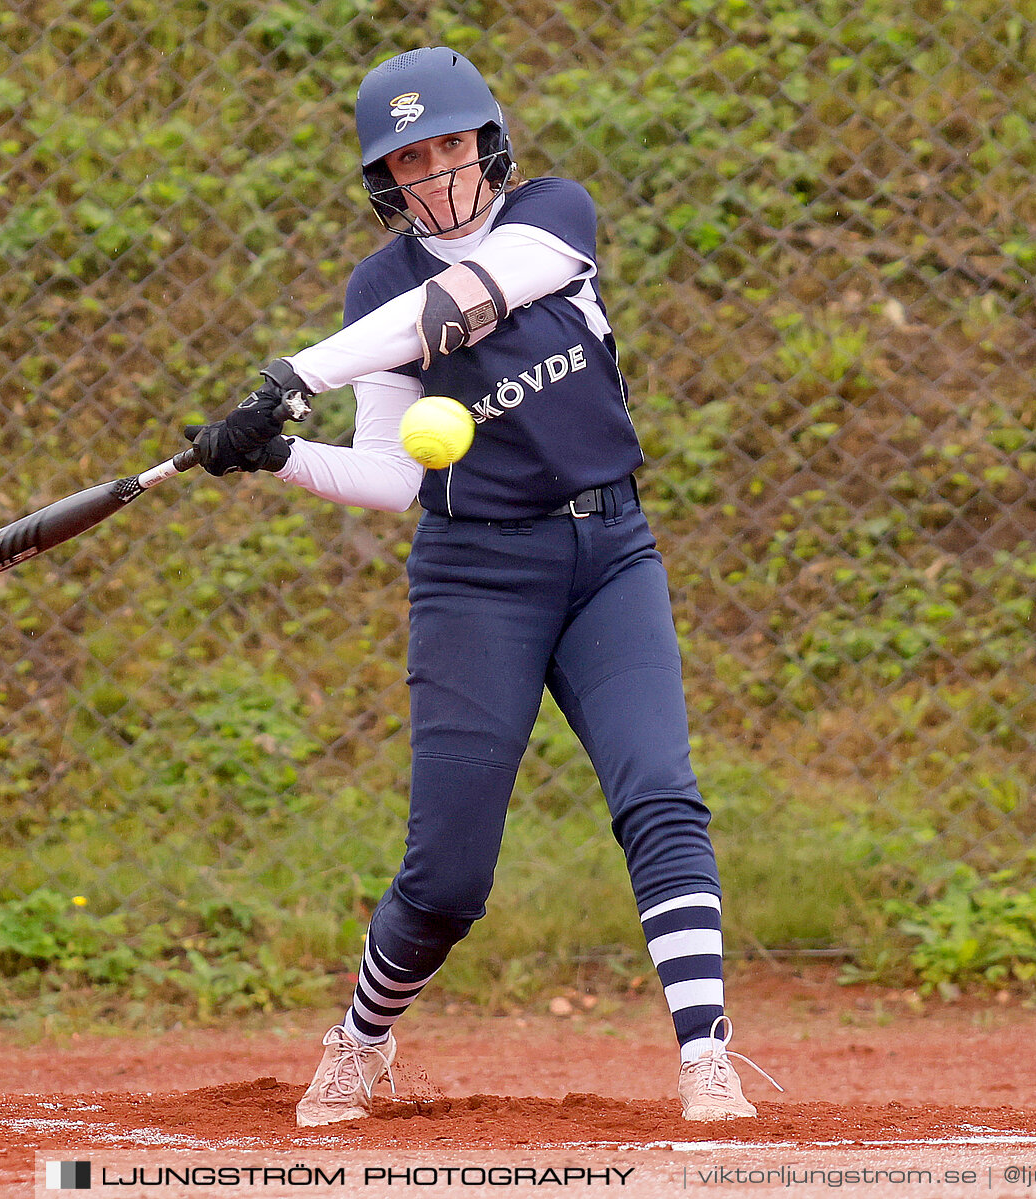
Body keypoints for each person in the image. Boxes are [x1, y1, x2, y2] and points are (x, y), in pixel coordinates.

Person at [186, 46, 780, 1125]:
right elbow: (385, 478)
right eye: (410, 158)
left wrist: (290, 376)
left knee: (660, 793)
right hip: (474, 576)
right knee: (449, 873)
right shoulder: (376, 288)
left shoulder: (555, 217)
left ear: (490, 142)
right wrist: (275, 454)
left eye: (451, 145)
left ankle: (707, 1055)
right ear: (384, 180)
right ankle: (362, 1036)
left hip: (611, 554)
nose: (437, 172)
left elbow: (457, 307)